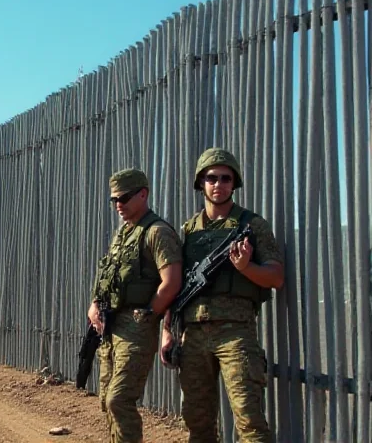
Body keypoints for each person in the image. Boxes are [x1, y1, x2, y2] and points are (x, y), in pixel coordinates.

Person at [160, 148, 284, 443]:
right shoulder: (188, 230)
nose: (218, 184)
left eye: (226, 178)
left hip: (236, 332)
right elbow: (173, 285)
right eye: (211, 178)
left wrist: (245, 267)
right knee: (197, 421)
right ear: (201, 183)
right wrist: (166, 332)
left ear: (234, 183)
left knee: (250, 421)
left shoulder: (252, 226)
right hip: (193, 335)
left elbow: (276, 276)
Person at [89, 168, 182, 442]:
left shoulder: (158, 232)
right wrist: (93, 305)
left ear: (144, 194)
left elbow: (172, 281)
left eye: (125, 197)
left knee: (119, 398)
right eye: (114, 200)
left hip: (136, 327)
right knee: (106, 398)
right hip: (112, 325)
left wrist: (151, 314)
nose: (119, 204)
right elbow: (107, 275)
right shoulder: (123, 234)